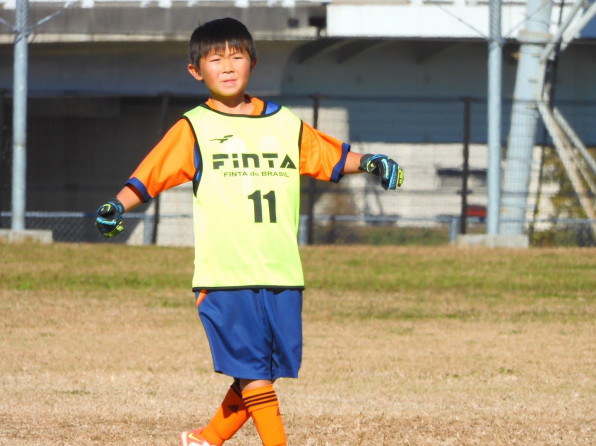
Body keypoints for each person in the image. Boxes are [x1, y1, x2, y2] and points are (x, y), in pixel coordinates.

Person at [94, 17, 404, 446]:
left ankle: (206, 439)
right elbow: (151, 175)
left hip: (281, 273)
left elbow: (330, 156)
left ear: (252, 63)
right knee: (256, 376)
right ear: (195, 70)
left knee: (259, 371)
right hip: (226, 276)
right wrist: (117, 204)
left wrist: (370, 162)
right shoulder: (194, 127)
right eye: (214, 58)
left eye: (236, 56)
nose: (226, 66)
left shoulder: (283, 123)